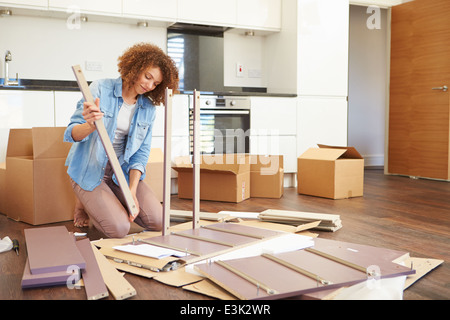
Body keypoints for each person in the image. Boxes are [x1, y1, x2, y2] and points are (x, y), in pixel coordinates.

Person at [64, 42, 179, 238]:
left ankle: (109, 197)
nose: (149, 85)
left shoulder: (148, 108)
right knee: (118, 229)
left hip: (121, 172)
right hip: (89, 169)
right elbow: (71, 134)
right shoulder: (101, 88)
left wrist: (131, 191)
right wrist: (90, 125)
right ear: (136, 67)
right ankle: (84, 201)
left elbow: (141, 155)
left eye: (156, 83)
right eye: (147, 77)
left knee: (158, 221)